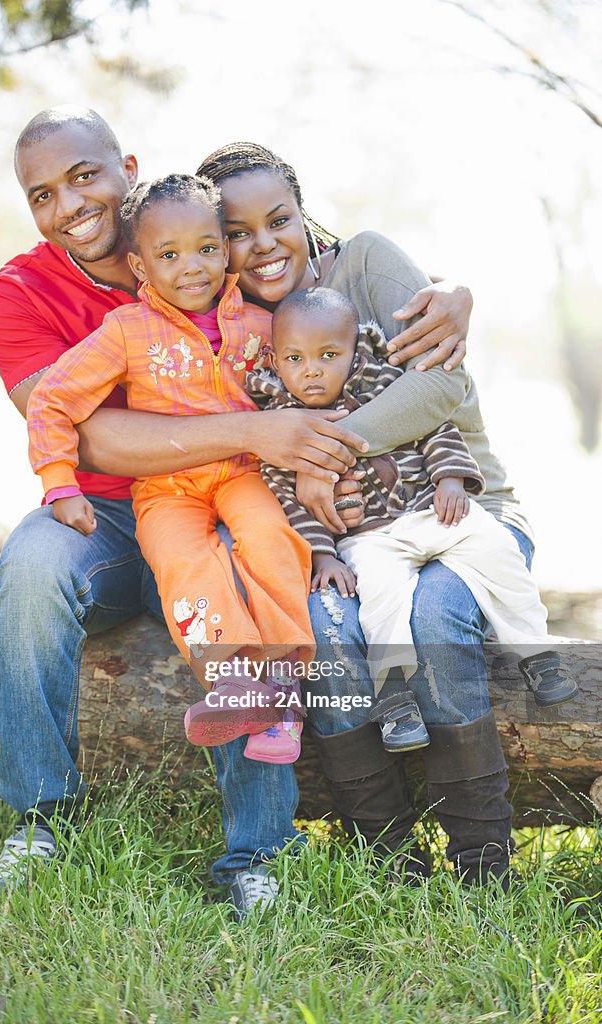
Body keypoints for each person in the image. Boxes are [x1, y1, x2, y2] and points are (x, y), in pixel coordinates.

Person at [0, 105, 473, 909]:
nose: (69, 205)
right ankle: (38, 818)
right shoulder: (19, 293)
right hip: (107, 516)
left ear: (127, 169)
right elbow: (87, 434)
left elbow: (314, 281)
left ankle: (257, 852)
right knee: (29, 568)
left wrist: (448, 292)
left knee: (255, 577)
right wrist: (253, 428)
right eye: (42, 195)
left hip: (235, 494)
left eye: (84, 176)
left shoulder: (203, 247)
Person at [194, 139, 555, 887]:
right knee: (326, 631)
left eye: (279, 219)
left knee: (431, 617)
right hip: (352, 549)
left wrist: (326, 450)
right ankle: (387, 857)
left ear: (303, 215)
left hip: (461, 516)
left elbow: (438, 390)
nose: (262, 245)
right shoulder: (243, 329)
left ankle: (483, 862)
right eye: (236, 232)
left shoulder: (363, 263)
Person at [26, 172, 313, 765]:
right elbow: (52, 399)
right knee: (184, 564)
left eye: (208, 249)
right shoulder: (127, 332)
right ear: (139, 267)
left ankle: (284, 694)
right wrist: (59, 482)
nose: (193, 267)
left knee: (270, 541)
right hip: (166, 490)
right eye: (169, 254)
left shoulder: (261, 326)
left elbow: (322, 367)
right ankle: (236, 684)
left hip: (243, 474)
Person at [247, 285, 578, 755]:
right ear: (276, 362)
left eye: (328, 355)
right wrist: (323, 554)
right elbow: (290, 499)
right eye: (295, 359)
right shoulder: (282, 425)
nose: (313, 370)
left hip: (430, 511)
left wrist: (450, 480)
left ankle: (537, 653)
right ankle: (395, 696)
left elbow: (433, 427)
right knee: (381, 601)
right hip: (368, 540)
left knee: (496, 551)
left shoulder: (381, 384)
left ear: (353, 352)